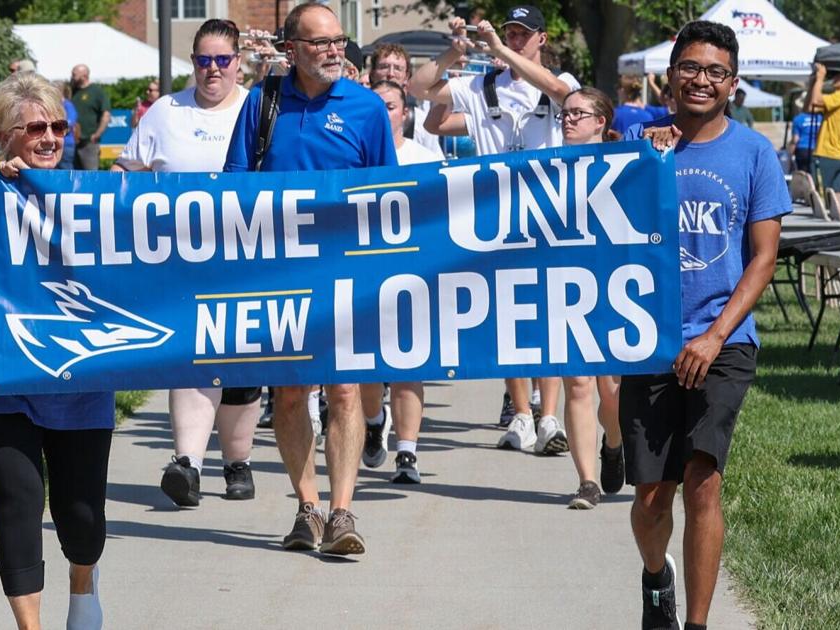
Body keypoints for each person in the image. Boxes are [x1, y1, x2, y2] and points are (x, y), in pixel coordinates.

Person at [624, 20, 790, 629]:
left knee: (702, 481)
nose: (702, 80)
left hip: (724, 340)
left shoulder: (752, 153)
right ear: (670, 75)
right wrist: (641, 151)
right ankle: (655, 575)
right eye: (691, 67)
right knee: (649, 502)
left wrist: (715, 334)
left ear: (733, 84)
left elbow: (764, 257)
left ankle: (696, 623)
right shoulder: (638, 143)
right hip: (647, 337)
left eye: (715, 72)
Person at [224, 1, 397, 555]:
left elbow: (390, 196)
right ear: (291, 47)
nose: (332, 51)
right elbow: (232, 186)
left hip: (348, 273)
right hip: (281, 274)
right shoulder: (262, 102)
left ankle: (343, 512)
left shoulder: (368, 109)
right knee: (292, 393)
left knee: (345, 390)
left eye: (338, 41)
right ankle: (307, 509)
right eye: (319, 43)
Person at [0, 71, 110, 630]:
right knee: (17, 506)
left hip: (81, 381)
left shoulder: (94, 202)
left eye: (58, 126)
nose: (49, 137)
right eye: (35, 127)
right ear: (5, 137)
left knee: (81, 513)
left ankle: (83, 588)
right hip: (4, 384)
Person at [409, 5, 579, 451]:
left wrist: (502, 49)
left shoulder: (560, 82)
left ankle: (549, 416)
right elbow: (418, 88)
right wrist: (454, 52)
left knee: (549, 316)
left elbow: (562, 92)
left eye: (523, 34)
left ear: (541, 39)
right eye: (509, 33)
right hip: (496, 216)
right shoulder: (484, 85)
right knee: (510, 317)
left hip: (548, 215)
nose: (514, 39)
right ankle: (522, 413)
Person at [113, 18, 259, 507]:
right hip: (181, 263)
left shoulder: (259, 108)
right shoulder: (165, 111)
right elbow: (126, 169)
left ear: (238, 62)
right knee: (191, 356)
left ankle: (237, 462)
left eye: (222, 60)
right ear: (192, 63)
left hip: (248, 257)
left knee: (238, 366)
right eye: (203, 61)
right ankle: (187, 465)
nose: (212, 70)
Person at [359, 79, 441, 484]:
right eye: (375, 106)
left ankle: (407, 452)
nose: (382, 113)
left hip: (412, 273)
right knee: (368, 368)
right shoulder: (354, 155)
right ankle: (375, 421)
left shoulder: (423, 157)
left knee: (410, 362)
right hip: (364, 273)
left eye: (390, 106)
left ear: (405, 113)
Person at [555, 86, 628, 509]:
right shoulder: (547, 165)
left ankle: (613, 443)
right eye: (565, 113)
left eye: (578, 114)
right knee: (578, 384)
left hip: (614, 283)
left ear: (601, 121)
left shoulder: (625, 163)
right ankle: (586, 482)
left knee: (612, 389)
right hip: (566, 284)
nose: (568, 119)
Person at [368, 43, 444, 159]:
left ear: (406, 76)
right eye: (384, 67)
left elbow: (435, 165)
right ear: (372, 74)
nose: (391, 74)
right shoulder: (359, 115)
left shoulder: (420, 120)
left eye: (398, 68)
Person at [808, 63, 840, 203]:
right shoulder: (839, 99)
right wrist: (813, 84)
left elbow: (816, 101)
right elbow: (809, 107)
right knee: (836, 200)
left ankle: (830, 225)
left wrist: (820, 78)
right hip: (838, 155)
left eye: (839, 75)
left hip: (827, 154)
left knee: (819, 200)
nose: (835, 77)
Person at [70, 64, 110, 170]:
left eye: (74, 74)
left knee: (90, 175)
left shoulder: (96, 92)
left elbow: (106, 114)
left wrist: (97, 134)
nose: (72, 76)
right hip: (73, 142)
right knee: (75, 177)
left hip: (89, 142)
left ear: (84, 75)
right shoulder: (73, 91)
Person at [788, 97, 822, 174]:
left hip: (802, 150)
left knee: (803, 176)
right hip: (817, 150)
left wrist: (790, 154)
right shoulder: (820, 118)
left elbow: (795, 139)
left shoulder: (798, 119)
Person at [57, 81, 78, 170]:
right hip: (56, 144)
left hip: (66, 145)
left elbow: (69, 123)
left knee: (66, 171)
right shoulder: (55, 105)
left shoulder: (68, 105)